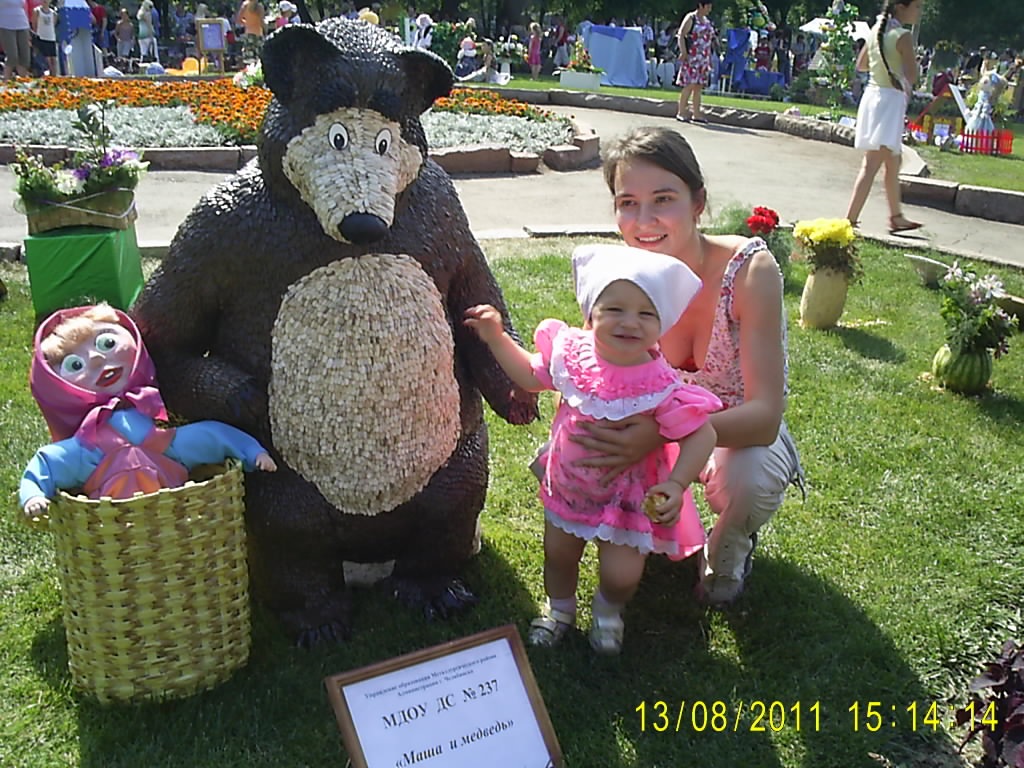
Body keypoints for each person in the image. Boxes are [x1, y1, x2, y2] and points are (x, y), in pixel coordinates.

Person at [578, 126, 804, 607]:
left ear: (697, 202)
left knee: (749, 479)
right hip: (650, 426)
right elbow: (592, 376)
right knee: (572, 449)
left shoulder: (749, 271)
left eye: (663, 199)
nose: (644, 221)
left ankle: (728, 547)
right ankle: (631, 533)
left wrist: (658, 435)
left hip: (734, 436)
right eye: (627, 203)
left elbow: (765, 418)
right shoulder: (618, 276)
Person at [464, 244, 721, 654]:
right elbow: (529, 376)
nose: (629, 322)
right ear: (590, 313)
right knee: (558, 556)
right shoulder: (573, 357)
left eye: (646, 313)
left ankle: (608, 612)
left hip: (628, 499)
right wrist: (496, 338)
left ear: (663, 322)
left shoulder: (659, 384)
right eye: (614, 309)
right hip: (570, 487)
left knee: (622, 574)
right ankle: (559, 609)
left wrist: (676, 483)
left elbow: (701, 435)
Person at [20, 304, 277, 517]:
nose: (97, 358)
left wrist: (250, 450)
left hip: (172, 508)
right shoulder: (85, 451)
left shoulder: (164, 441)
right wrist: (33, 494)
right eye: (75, 364)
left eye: (107, 343)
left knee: (205, 435)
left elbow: (208, 436)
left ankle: (251, 452)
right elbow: (48, 462)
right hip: (111, 529)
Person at [844, 0, 924, 234]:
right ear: (901, 7)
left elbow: (862, 65)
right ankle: (849, 220)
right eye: (916, 6)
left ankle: (896, 216)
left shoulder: (876, 30)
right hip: (889, 101)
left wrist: (883, 66)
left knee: (892, 162)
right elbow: (912, 76)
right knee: (872, 164)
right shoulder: (902, 36)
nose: (919, 12)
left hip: (873, 96)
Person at [675, 1, 715, 122]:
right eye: (707, 6)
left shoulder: (706, 21)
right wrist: (683, 51)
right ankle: (681, 112)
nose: (709, 9)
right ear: (701, 5)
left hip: (703, 58)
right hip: (692, 57)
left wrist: (709, 58)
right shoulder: (691, 18)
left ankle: (696, 114)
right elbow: (681, 35)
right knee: (689, 84)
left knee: (698, 86)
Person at [0, 0, 32, 79]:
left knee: (25, 58)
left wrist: (28, 28)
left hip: (23, 25)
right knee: (12, 57)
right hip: (6, 26)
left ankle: (23, 82)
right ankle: (5, 82)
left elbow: (24, 8)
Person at [31, 0, 58, 75]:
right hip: (41, 38)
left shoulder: (54, 13)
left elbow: (53, 25)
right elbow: (34, 24)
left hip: (51, 38)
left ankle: (54, 77)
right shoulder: (37, 11)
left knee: (53, 60)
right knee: (46, 61)